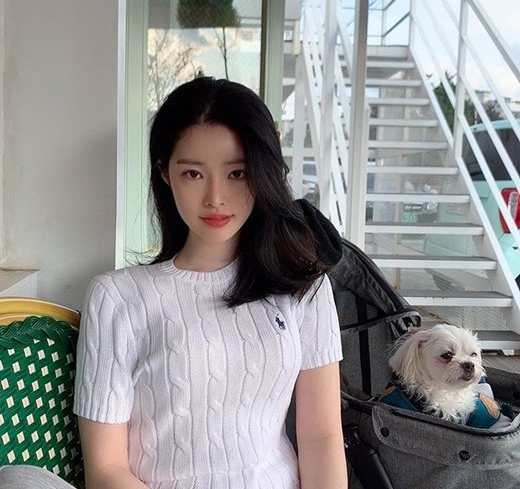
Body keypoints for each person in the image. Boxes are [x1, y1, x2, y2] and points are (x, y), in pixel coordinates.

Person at [72, 76, 347, 488]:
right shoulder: (117, 298)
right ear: (165, 173)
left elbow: (321, 438)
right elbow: (106, 468)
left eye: (237, 173)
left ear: (262, 173)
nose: (215, 197)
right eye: (193, 174)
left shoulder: (303, 288)